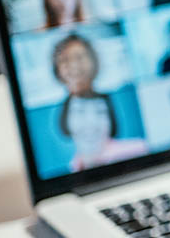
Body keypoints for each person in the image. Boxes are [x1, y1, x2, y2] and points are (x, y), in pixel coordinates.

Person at [51, 34, 147, 172]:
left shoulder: (139, 149)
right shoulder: (72, 168)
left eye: (79, 57)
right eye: (65, 60)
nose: (74, 65)